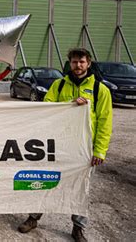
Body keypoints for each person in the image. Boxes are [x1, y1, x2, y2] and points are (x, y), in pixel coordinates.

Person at [17, 48, 112, 242]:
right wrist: (70, 104)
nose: (78, 66)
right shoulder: (59, 86)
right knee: (45, 181)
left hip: (84, 150)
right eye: (75, 62)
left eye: (82, 62)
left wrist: (100, 151)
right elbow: (48, 109)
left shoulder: (99, 89)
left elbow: (105, 122)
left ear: (89, 63)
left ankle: (78, 227)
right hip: (59, 146)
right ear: (69, 63)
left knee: (81, 188)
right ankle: (34, 217)